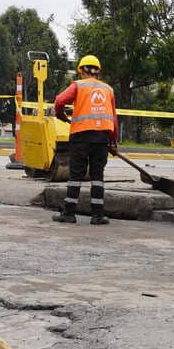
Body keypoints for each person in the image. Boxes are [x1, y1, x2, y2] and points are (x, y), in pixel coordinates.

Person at [51, 56, 118, 225]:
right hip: (102, 137)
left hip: (80, 136)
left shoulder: (78, 85)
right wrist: (113, 140)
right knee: (97, 176)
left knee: (76, 175)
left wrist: (60, 114)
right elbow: (113, 118)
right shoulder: (108, 89)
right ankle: (97, 215)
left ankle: (69, 213)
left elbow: (59, 101)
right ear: (98, 71)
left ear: (81, 70)